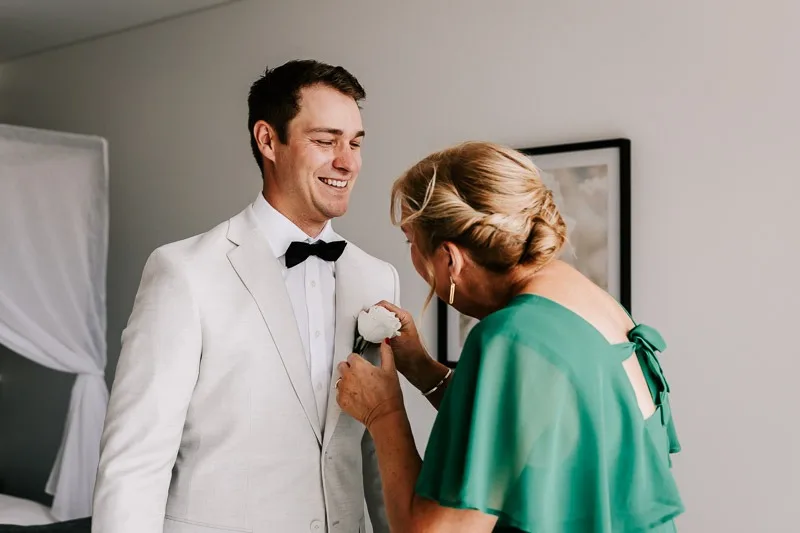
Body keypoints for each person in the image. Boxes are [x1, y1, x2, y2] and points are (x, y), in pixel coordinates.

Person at [92, 60, 398, 533]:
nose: (348, 161)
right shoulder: (184, 272)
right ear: (268, 140)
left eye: (355, 142)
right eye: (325, 140)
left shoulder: (376, 278)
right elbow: (135, 463)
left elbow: (377, 448)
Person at [335, 141, 685, 532]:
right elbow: (530, 432)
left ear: (450, 259)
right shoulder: (590, 303)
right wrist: (423, 370)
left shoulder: (510, 337)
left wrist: (383, 412)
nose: (412, 257)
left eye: (411, 243)